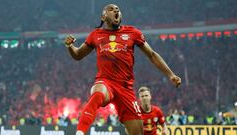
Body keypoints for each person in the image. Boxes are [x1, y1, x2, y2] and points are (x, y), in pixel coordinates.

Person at [64, 4, 181, 135]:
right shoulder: (95, 35)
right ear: (103, 17)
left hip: (126, 88)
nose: (116, 10)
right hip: (106, 82)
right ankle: (80, 132)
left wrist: (170, 75)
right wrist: (70, 46)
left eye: (117, 9)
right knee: (98, 92)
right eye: (111, 9)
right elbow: (78, 55)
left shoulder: (133, 33)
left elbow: (152, 54)